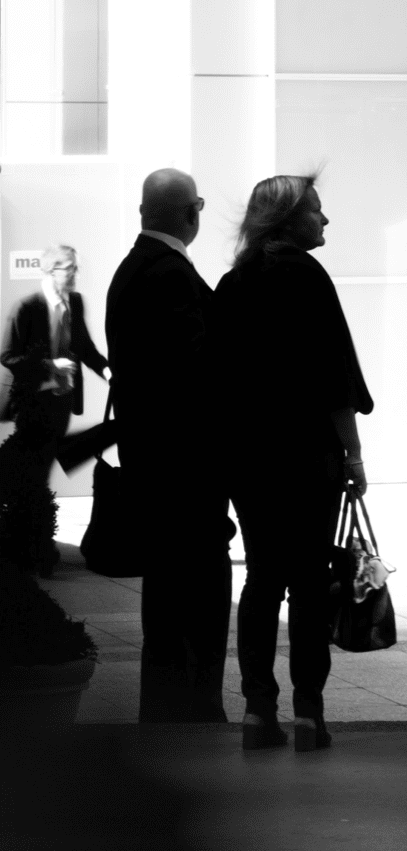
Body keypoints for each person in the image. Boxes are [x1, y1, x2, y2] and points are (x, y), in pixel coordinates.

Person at [214, 174, 373, 753]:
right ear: (290, 219)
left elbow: (219, 379)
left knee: (261, 579)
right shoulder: (308, 278)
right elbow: (334, 378)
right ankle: (309, 714)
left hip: (250, 458)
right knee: (309, 583)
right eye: (317, 211)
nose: (325, 221)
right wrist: (353, 453)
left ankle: (258, 711)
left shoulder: (234, 283)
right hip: (309, 456)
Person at [105, 169, 233, 722]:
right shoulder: (170, 275)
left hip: (151, 465)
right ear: (191, 212)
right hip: (186, 472)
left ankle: (164, 709)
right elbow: (195, 373)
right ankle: (194, 709)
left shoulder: (131, 270)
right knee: (197, 594)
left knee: (164, 599)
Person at [0, 246, 109, 575]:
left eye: (76, 268)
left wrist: (106, 370)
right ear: (49, 271)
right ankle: (38, 551)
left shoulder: (74, 303)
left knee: (40, 470)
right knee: (37, 472)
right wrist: (50, 365)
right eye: (68, 269)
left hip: (61, 402)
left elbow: (84, 346)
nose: (75, 274)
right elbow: (8, 356)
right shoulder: (27, 307)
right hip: (32, 402)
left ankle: (36, 548)